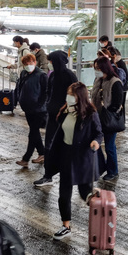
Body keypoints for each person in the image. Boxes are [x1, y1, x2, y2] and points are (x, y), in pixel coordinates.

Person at [47, 82, 102, 239]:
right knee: (64, 193)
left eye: (72, 94)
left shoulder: (91, 113)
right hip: (66, 155)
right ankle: (66, 226)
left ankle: (100, 221)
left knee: (85, 192)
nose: (69, 97)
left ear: (80, 96)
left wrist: (96, 142)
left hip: (83, 156)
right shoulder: (66, 111)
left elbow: (98, 133)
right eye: (68, 93)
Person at [35, 51, 78, 187]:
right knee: (49, 145)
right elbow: (49, 91)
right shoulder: (52, 75)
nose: (50, 64)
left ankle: (71, 174)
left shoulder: (69, 75)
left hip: (65, 116)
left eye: (52, 61)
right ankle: (48, 175)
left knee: (67, 146)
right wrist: (48, 104)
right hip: (52, 115)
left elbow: (77, 94)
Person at [90, 57, 123, 183]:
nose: (96, 71)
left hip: (108, 119)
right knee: (95, 144)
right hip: (96, 117)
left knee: (109, 146)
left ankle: (113, 171)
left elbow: (117, 103)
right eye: (95, 68)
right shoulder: (98, 80)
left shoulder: (115, 82)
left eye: (98, 68)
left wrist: (107, 112)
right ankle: (100, 167)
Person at [14, 54, 47, 168]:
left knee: (32, 133)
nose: (28, 65)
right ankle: (42, 153)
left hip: (39, 110)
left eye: (30, 63)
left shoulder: (42, 75)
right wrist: (17, 99)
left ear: (35, 62)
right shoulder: (24, 73)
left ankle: (26, 158)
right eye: (26, 64)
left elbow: (46, 92)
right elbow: (19, 87)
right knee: (34, 132)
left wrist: (40, 104)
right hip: (27, 108)